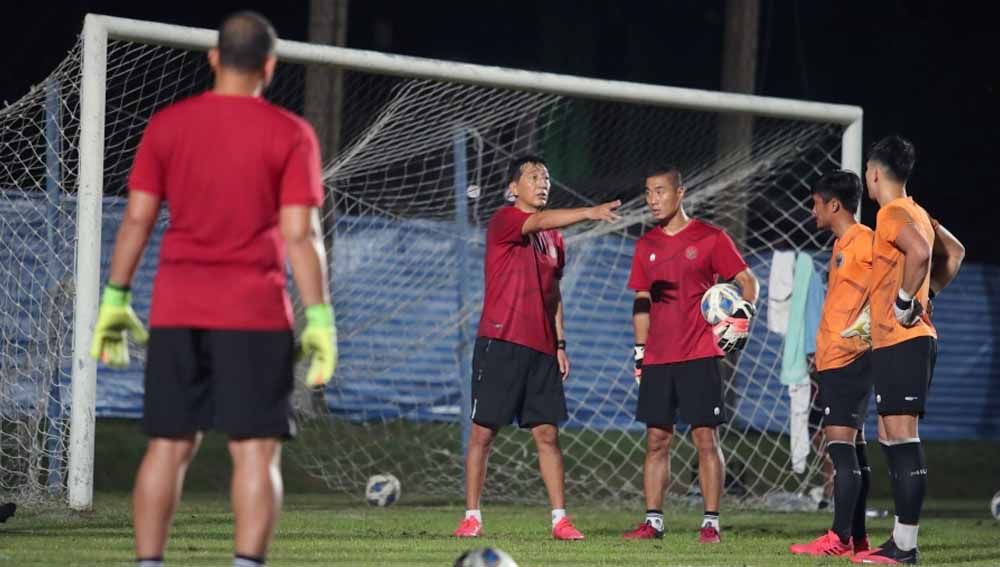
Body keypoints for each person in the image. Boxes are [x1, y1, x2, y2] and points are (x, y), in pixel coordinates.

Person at [89, 12, 336, 567]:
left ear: (215, 57)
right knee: (255, 451)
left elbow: (136, 219)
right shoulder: (292, 134)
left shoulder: (168, 126)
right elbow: (301, 233)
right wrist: (319, 317)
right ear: (270, 67)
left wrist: (115, 298)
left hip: (178, 310)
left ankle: (148, 564)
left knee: (169, 446)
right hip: (255, 314)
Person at [453, 155, 620, 540]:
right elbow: (540, 220)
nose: (542, 183)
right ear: (514, 188)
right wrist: (590, 211)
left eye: (546, 177)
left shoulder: (555, 241)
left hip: (541, 348)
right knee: (482, 433)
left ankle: (560, 519)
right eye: (533, 177)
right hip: (501, 340)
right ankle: (472, 516)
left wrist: (560, 343)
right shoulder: (506, 219)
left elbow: (553, 295)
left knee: (547, 434)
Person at [623, 165, 758, 544]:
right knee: (655, 440)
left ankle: (711, 523)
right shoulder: (645, 245)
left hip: (700, 354)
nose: (652, 199)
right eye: (648, 192)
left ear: (680, 193)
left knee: (705, 438)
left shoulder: (711, 238)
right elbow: (642, 300)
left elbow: (747, 283)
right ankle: (653, 522)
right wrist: (639, 351)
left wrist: (741, 320)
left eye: (660, 191)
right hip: (658, 359)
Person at [851, 135, 964, 565]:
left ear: (875, 173)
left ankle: (905, 547)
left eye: (867, 172)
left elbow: (919, 252)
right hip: (904, 340)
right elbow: (954, 252)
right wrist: (927, 293)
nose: (867, 178)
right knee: (892, 435)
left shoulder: (892, 213)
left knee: (902, 436)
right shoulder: (917, 211)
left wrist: (904, 301)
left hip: (904, 339)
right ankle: (900, 540)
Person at [789, 170, 874, 557]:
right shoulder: (844, 244)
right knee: (852, 450)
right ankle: (856, 539)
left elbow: (885, 295)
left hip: (848, 361)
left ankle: (838, 538)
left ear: (834, 204)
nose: (812, 211)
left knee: (840, 450)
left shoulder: (864, 243)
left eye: (815, 203)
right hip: (836, 361)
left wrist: (851, 342)